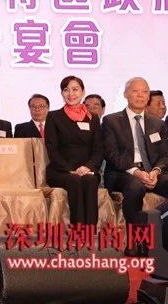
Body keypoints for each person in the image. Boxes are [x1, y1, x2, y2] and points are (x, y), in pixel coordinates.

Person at [103, 77, 168, 237]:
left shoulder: (158, 123)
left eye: (144, 92)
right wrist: (136, 172)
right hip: (123, 173)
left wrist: (156, 171)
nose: (140, 95)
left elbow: (166, 156)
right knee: (135, 186)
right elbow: (112, 154)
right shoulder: (111, 120)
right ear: (125, 94)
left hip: (152, 172)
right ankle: (135, 238)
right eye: (135, 91)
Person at [44, 76, 103, 224]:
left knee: (90, 180)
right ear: (62, 93)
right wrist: (70, 169)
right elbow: (52, 150)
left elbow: (98, 150)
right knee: (75, 180)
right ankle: (78, 229)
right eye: (66, 90)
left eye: (75, 89)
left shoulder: (93, 118)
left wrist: (88, 167)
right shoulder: (54, 116)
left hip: (87, 170)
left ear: (83, 92)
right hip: (61, 170)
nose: (71, 94)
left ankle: (89, 230)